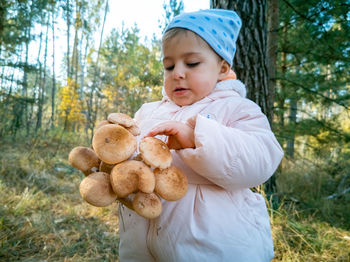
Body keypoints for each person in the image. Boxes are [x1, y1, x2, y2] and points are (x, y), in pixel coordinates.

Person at [117, 9, 284, 262]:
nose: (177, 73)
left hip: (212, 247)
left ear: (223, 68)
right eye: (168, 65)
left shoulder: (236, 108)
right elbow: (128, 159)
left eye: (192, 63)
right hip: (142, 247)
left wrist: (198, 138)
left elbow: (263, 158)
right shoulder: (148, 112)